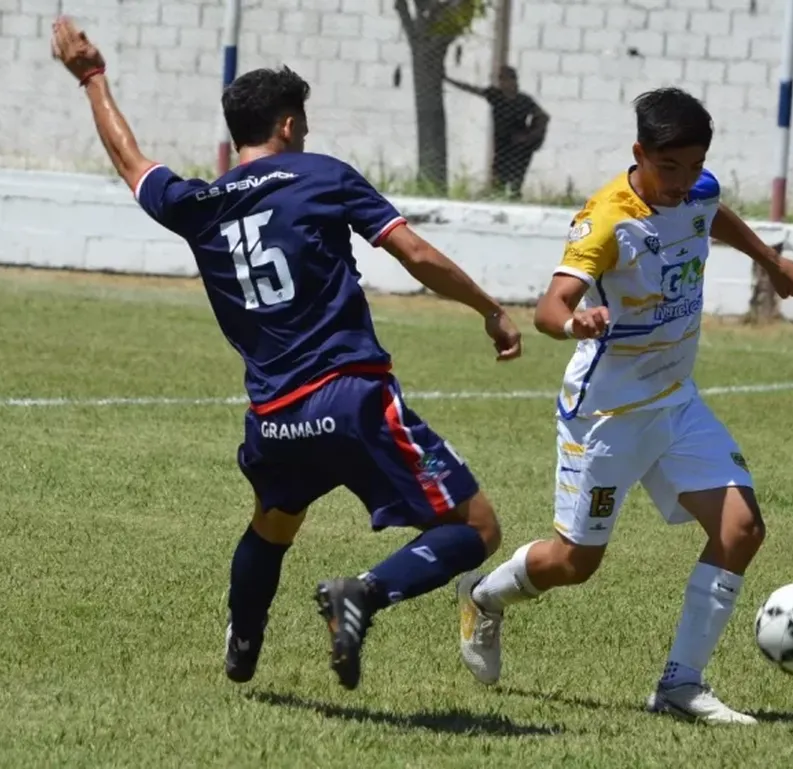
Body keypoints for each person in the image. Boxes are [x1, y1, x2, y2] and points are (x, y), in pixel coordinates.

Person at [50, 17, 522, 692]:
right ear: (291, 124)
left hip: (274, 417)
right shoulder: (323, 176)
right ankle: (364, 592)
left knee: (272, 524)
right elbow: (413, 252)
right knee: (477, 527)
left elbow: (132, 163)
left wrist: (93, 78)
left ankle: (243, 640)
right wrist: (490, 309)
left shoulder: (198, 203)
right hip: (352, 399)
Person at [455, 87, 793, 725]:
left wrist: (769, 260)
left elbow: (712, 213)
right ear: (639, 152)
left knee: (741, 529)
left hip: (675, 401)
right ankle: (484, 595)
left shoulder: (697, 189)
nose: (682, 181)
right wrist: (576, 323)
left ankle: (680, 685)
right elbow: (550, 308)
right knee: (575, 563)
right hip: (607, 415)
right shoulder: (607, 219)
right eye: (669, 167)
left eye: (694, 166)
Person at [445, 65, 548, 199]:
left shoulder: (523, 101)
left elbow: (543, 116)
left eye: (506, 79)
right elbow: (473, 89)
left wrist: (530, 136)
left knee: (516, 181)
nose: (503, 83)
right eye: (501, 79)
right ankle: (498, 199)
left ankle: (514, 199)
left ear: (514, 80)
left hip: (519, 148)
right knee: (498, 178)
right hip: (502, 145)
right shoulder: (496, 96)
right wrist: (449, 80)